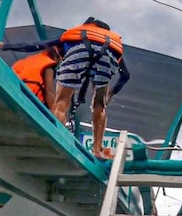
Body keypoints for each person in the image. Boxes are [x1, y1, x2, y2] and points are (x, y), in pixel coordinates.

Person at [50, 17, 130, 159]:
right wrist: (112, 92)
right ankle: (97, 149)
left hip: (78, 60)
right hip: (104, 64)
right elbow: (126, 75)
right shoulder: (109, 44)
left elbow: (45, 46)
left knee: (62, 101)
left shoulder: (78, 38)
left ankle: (55, 136)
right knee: (100, 106)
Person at [0, 37, 62, 112]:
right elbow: (49, 91)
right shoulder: (49, 65)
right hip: (28, 102)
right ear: (58, 57)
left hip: (11, 95)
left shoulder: (27, 60)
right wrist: (56, 115)